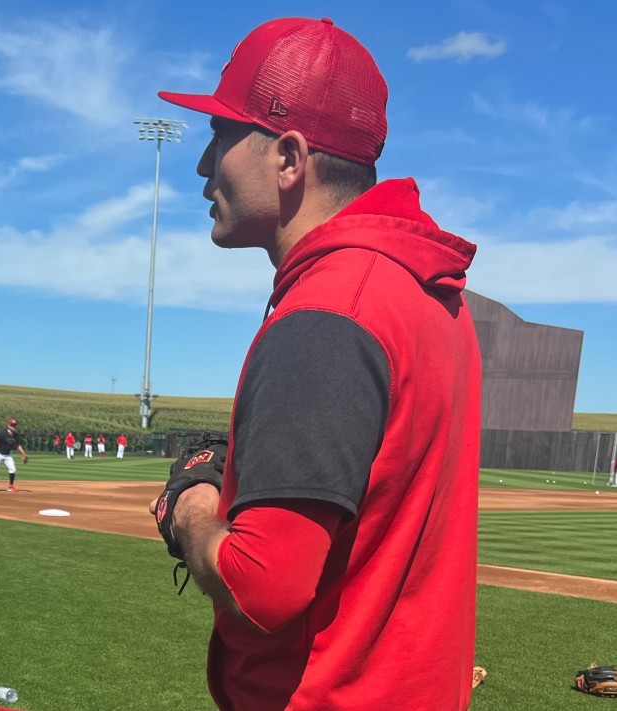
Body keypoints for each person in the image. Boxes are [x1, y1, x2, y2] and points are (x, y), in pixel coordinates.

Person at [152, 18, 481, 710]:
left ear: (290, 158)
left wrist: (192, 508)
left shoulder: (330, 309)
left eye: (220, 136)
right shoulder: (425, 293)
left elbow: (260, 584)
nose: (204, 166)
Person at [0, 419, 28, 492]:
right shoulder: (3, 434)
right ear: (8, 425)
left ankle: (10, 487)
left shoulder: (16, 436)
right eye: (12, 425)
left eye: (15, 425)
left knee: (13, 469)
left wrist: (23, 452)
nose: (13, 427)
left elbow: (17, 445)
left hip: (7, 455)